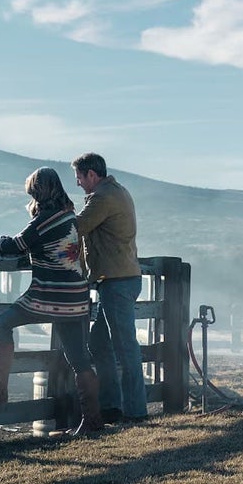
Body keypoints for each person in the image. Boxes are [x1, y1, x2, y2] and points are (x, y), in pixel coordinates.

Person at [0, 167, 104, 436]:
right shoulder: (68, 215)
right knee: (79, 359)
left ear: (38, 192)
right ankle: (93, 421)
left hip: (49, 294)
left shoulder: (45, 220)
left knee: (3, 323)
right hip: (76, 297)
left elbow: (16, 244)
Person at [72, 153, 146, 424]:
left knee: (125, 346)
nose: (78, 183)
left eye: (79, 177)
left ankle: (134, 411)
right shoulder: (117, 191)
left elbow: (78, 227)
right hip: (119, 278)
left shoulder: (102, 198)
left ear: (91, 175)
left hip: (116, 281)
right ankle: (112, 406)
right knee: (100, 342)